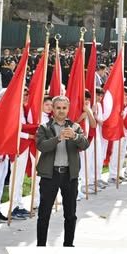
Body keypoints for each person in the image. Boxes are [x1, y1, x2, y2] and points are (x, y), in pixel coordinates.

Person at [35, 96, 89, 246]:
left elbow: (85, 144)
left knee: (70, 214)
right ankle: (41, 245)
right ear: (53, 108)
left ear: (68, 109)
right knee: (44, 213)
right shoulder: (44, 127)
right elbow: (41, 146)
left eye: (64, 108)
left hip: (69, 175)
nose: (61, 111)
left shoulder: (75, 127)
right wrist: (57, 138)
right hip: (50, 175)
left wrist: (75, 136)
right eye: (58, 108)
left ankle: (68, 244)